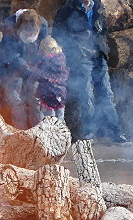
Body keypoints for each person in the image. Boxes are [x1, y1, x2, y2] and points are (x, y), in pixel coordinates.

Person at [54, 0, 128, 144]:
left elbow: (103, 30)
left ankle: (115, 132)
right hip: (80, 57)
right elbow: (57, 34)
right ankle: (88, 132)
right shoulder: (68, 8)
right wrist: (75, 50)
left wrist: (103, 48)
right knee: (85, 96)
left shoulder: (98, 6)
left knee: (106, 93)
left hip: (98, 56)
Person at [0, 9, 47, 128]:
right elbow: (10, 55)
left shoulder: (43, 25)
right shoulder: (9, 26)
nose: (30, 37)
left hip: (33, 66)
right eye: (27, 34)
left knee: (35, 99)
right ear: (18, 29)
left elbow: (43, 48)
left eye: (33, 34)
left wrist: (38, 69)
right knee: (16, 99)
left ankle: (38, 129)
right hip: (13, 67)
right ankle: (19, 129)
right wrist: (25, 70)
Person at [33, 37, 68, 120]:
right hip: (60, 98)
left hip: (49, 97)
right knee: (59, 121)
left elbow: (37, 74)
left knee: (48, 120)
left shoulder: (45, 61)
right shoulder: (61, 61)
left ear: (44, 50)